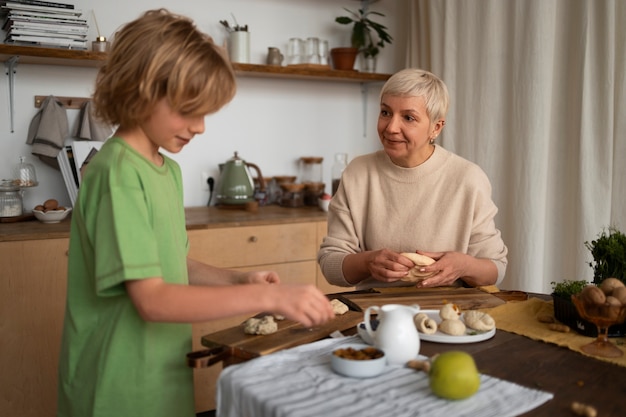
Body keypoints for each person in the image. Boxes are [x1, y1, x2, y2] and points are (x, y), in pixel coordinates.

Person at [57, 9, 334, 417]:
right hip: (115, 386)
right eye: (189, 111)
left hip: (160, 374)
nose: (201, 127)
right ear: (140, 91)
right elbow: (151, 300)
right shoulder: (116, 172)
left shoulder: (164, 170)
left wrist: (237, 279)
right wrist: (267, 295)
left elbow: (170, 264)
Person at [318, 68, 508, 291]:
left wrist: (463, 266)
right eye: (385, 113)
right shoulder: (358, 173)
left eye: (408, 118)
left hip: (448, 313)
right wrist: (368, 262)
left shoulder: (468, 179)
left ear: (435, 127)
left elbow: (496, 269)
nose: (391, 128)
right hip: (376, 316)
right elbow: (331, 263)